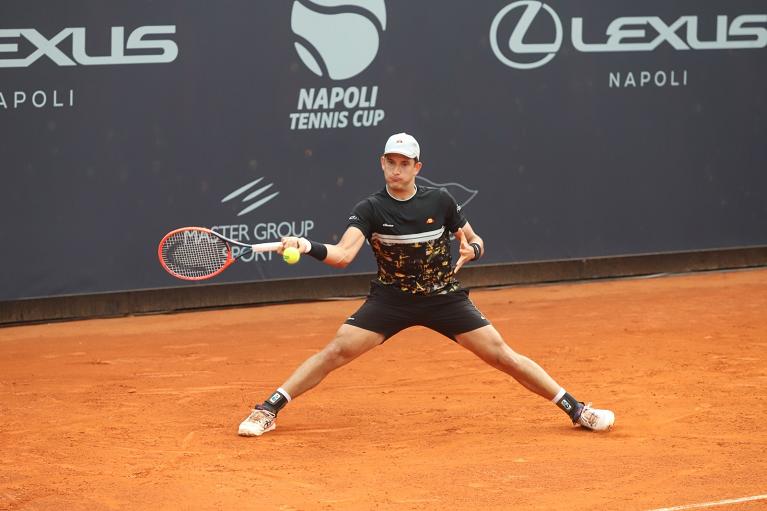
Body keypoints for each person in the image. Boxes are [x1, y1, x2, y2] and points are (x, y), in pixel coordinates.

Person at [238, 133, 615, 436]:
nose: (397, 170)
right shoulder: (371, 208)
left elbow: (473, 238)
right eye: (391, 162)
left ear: (417, 167)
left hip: (443, 297)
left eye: (405, 164)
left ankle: (577, 410)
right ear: (382, 164)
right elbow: (342, 255)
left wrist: (474, 249)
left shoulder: (441, 200)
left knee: (502, 355)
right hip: (392, 299)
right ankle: (268, 409)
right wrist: (305, 246)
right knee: (336, 351)